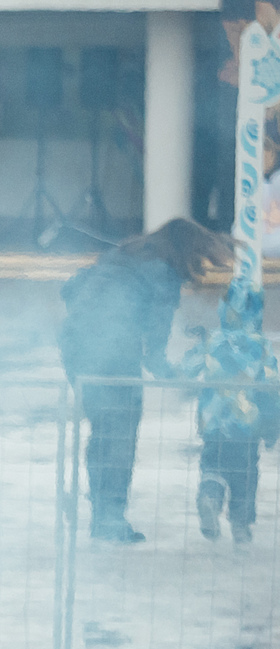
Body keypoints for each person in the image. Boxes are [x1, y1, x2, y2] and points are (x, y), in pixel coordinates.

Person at [59, 218, 230, 543]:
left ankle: (103, 515)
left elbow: (69, 288)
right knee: (120, 434)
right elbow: (155, 346)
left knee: (104, 430)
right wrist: (176, 378)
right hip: (111, 354)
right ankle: (109, 521)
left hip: (75, 344)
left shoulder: (125, 254)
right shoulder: (162, 272)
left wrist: (91, 319)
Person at [190, 276, 277, 547]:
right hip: (247, 427)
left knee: (213, 466)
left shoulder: (212, 341)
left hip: (213, 426)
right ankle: (240, 525)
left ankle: (210, 497)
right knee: (245, 477)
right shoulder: (260, 346)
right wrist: (273, 427)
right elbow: (272, 387)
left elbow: (186, 368)